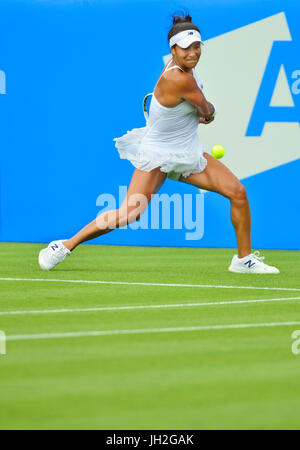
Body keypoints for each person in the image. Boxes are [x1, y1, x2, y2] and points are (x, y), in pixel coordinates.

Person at [39, 14, 279, 274]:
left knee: (238, 193)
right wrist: (208, 112)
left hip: (187, 152)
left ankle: (243, 260)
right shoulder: (179, 79)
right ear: (173, 49)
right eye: (185, 48)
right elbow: (206, 110)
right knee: (130, 213)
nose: (193, 53)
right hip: (159, 154)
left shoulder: (187, 71)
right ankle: (63, 246)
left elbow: (197, 111)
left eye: (197, 46)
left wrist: (200, 113)